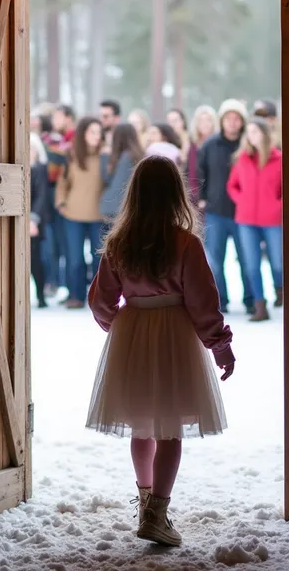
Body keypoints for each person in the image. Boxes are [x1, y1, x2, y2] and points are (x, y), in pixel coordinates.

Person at [86, 156, 234, 547]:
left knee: (142, 426)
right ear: (175, 195)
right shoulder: (186, 244)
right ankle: (158, 513)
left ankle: (146, 500)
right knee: (170, 431)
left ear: (133, 195)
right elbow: (204, 303)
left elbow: (101, 301)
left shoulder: (119, 244)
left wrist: (118, 328)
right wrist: (220, 346)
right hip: (174, 336)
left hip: (133, 333)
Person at [197, 99, 254, 314]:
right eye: (228, 118)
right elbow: (199, 172)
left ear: (242, 121)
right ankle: (220, 300)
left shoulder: (248, 144)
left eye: (237, 118)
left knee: (247, 258)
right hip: (216, 211)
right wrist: (202, 198)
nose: (232, 122)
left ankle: (250, 300)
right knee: (215, 260)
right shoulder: (211, 144)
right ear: (222, 121)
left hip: (243, 212)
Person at [227, 117, 283, 322]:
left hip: (273, 220)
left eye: (255, 131)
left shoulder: (279, 159)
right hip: (246, 220)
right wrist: (241, 200)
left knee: (278, 263)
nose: (251, 136)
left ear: (265, 134)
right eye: (248, 132)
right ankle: (261, 306)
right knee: (252, 264)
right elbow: (232, 185)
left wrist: (279, 205)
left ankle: (280, 288)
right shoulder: (242, 158)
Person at [56, 117, 104, 309]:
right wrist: (61, 203)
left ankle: (99, 298)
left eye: (99, 132)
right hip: (73, 214)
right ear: (83, 133)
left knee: (99, 259)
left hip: (99, 216)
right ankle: (75, 295)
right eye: (92, 132)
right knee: (74, 258)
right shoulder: (72, 155)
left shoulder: (107, 156)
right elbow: (62, 183)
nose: (97, 136)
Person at [43, 104, 76, 297]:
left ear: (68, 118)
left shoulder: (73, 140)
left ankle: (74, 291)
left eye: (58, 117)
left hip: (69, 201)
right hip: (57, 198)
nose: (54, 122)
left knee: (69, 247)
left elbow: (63, 163)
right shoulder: (61, 140)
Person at [100, 123, 144, 235]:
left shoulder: (125, 158)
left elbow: (112, 182)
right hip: (134, 209)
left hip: (118, 210)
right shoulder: (139, 156)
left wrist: (104, 157)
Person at [30, 132, 50, 308]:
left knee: (35, 260)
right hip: (21, 220)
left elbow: (41, 196)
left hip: (33, 221)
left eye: (32, 148)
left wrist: (33, 220)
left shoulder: (40, 168)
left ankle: (41, 296)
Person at [186, 105, 219, 203]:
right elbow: (191, 174)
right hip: (195, 198)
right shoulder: (193, 146)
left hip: (215, 198)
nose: (205, 124)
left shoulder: (219, 144)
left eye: (208, 120)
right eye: (201, 121)